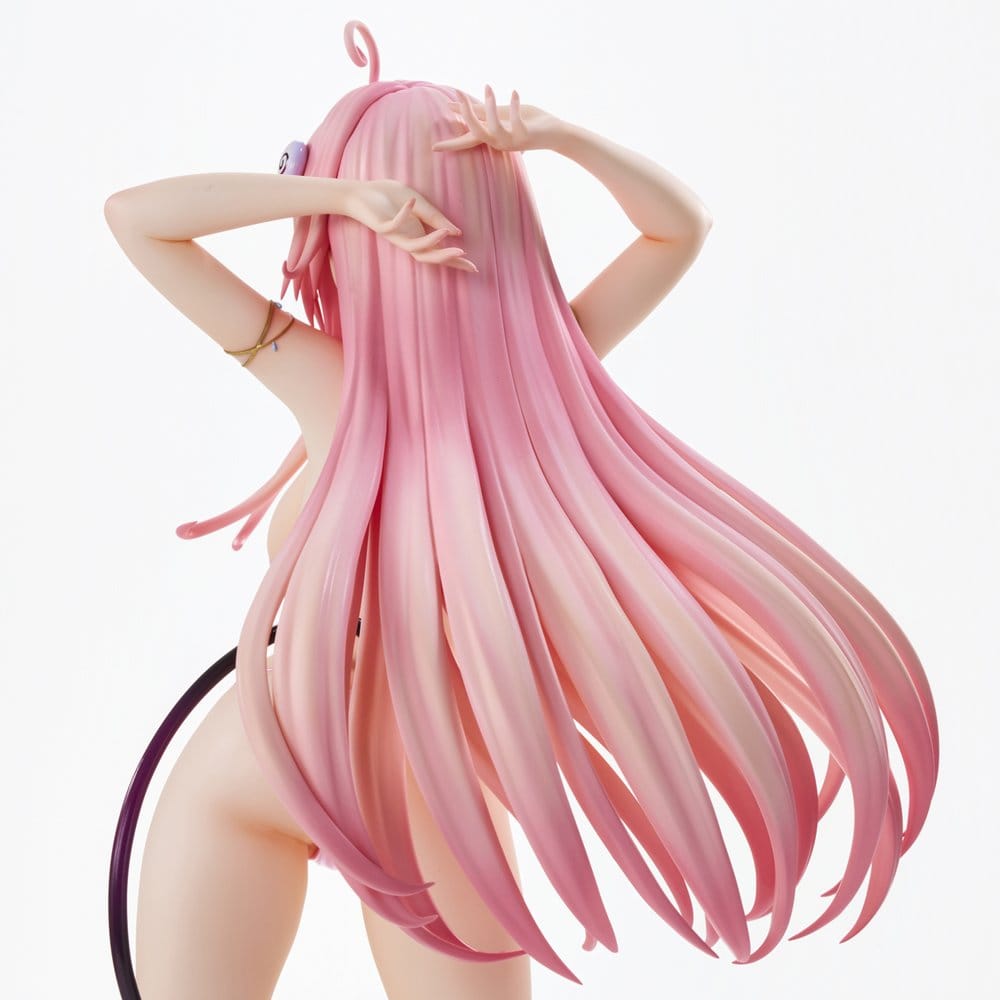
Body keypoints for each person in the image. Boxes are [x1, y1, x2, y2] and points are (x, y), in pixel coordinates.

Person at [103, 19, 939, 1000]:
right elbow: (678, 229)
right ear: (504, 213)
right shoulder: (497, 386)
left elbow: (141, 221)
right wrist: (549, 144)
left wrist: (338, 195)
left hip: (347, 771)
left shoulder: (365, 383)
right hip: (378, 777)